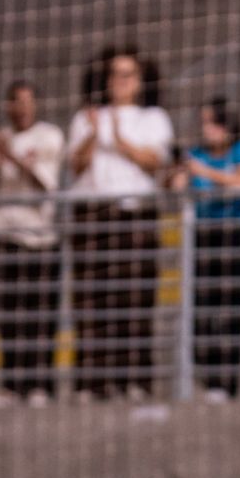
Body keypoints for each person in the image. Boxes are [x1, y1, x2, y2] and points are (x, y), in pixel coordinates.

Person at [67, 46, 174, 400]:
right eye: (115, 74)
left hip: (134, 215)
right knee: (90, 301)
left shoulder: (153, 117)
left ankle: (135, 380)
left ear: (140, 80)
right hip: (93, 214)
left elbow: (153, 161)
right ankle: (92, 382)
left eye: (128, 74)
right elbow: (75, 165)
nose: (120, 82)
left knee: (136, 298)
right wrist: (95, 134)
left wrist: (119, 138)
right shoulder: (86, 117)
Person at [168, 97, 240, 400]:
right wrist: (178, 173)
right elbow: (176, 187)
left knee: (231, 310)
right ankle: (209, 380)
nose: (205, 129)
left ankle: (228, 383)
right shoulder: (195, 154)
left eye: (211, 122)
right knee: (200, 311)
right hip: (204, 237)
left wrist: (203, 172)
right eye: (203, 122)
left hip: (235, 235)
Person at [0, 81, 64, 406]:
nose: (23, 107)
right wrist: (2, 160)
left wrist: (13, 158)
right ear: (8, 106)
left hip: (40, 239)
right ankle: (12, 385)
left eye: (29, 101)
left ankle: (41, 386)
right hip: (3, 237)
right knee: (9, 317)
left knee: (40, 316)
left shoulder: (49, 136)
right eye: (17, 101)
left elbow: (45, 186)